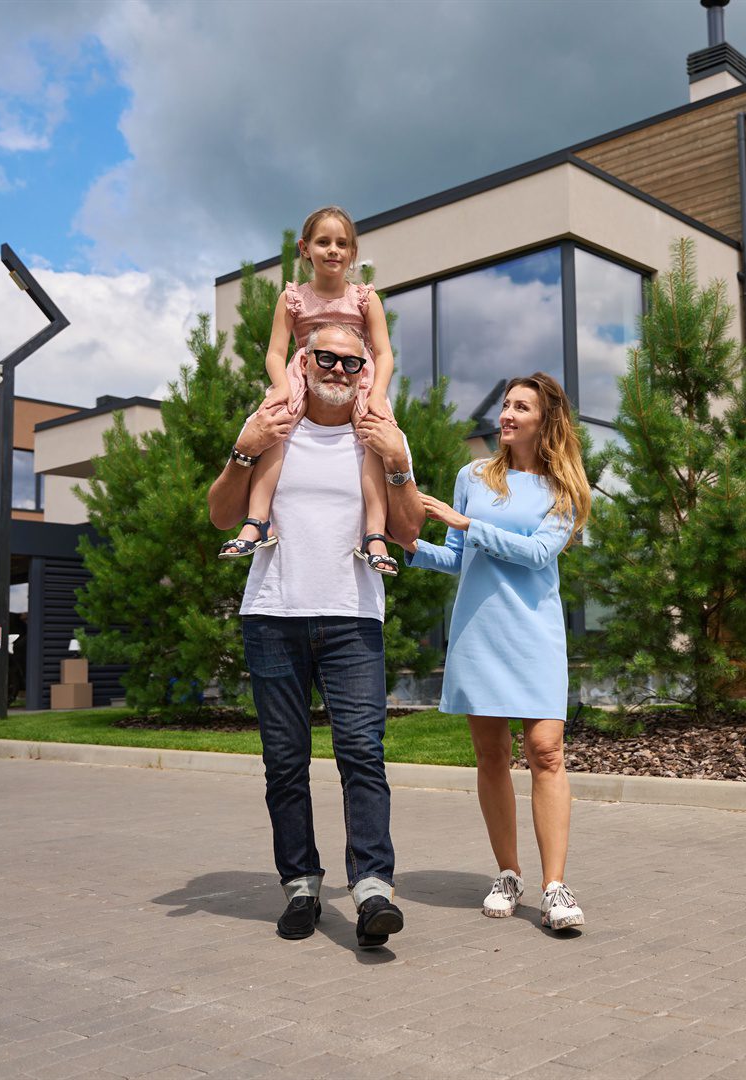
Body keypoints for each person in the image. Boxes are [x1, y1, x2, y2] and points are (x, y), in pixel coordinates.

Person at [207, 322, 424, 948]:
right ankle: (300, 885)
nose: (337, 370)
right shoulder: (273, 425)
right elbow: (222, 515)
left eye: (351, 363)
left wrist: (401, 464)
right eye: (324, 358)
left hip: (353, 616)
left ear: (366, 371)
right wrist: (242, 451)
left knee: (362, 754)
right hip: (273, 614)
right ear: (302, 362)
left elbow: (406, 532)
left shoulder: (378, 432)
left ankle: (372, 887)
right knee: (284, 762)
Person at [403, 373, 592, 931]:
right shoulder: (473, 476)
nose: (506, 415)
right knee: (490, 757)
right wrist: (409, 548)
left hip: (534, 633)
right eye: (505, 404)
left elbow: (537, 555)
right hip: (479, 631)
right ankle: (507, 872)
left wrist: (467, 523)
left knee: (546, 750)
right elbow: (459, 558)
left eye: (520, 407)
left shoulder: (565, 490)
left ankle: (554, 887)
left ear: (545, 419)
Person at [218, 205, 400, 576]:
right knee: (274, 424)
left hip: (354, 370)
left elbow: (382, 353)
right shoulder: (293, 297)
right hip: (305, 369)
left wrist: (378, 392)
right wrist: (283, 387)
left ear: (352, 252)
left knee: (375, 434)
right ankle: (257, 520)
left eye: (341, 243)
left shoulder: (365, 298)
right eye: (323, 242)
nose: (333, 250)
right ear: (304, 248)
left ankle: (375, 533)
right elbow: (274, 352)